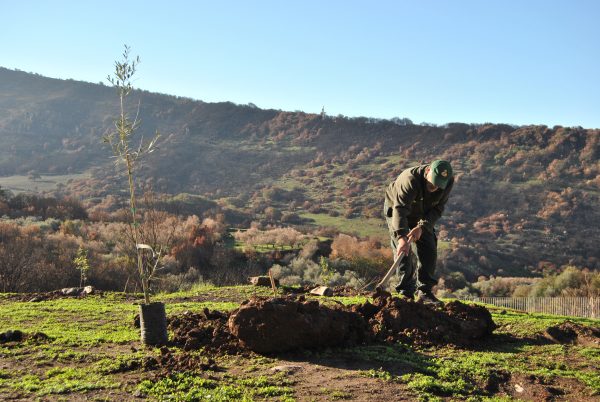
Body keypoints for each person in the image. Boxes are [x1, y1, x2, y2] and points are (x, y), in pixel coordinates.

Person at [383, 160, 454, 305]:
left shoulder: (448, 181)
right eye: (432, 183)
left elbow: (438, 209)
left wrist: (422, 227)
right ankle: (405, 293)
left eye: (438, 185)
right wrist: (402, 237)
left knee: (429, 249)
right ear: (427, 171)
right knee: (403, 251)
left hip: (423, 213)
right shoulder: (409, 179)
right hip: (397, 209)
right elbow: (400, 210)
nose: (434, 187)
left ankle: (425, 293)